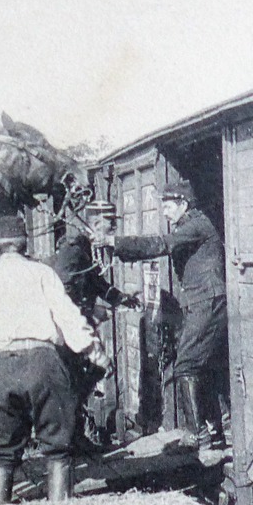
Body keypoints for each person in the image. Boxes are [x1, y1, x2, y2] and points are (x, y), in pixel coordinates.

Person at [0, 215, 110, 505]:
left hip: (3, 366)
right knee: (58, 447)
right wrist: (95, 352)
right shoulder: (43, 273)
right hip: (45, 363)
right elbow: (68, 317)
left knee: (2, 453)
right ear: (25, 243)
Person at [94, 177, 226, 451]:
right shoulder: (192, 224)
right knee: (199, 367)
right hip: (203, 302)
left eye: (168, 206)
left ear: (183, 204)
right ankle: (213, 433)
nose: (164, 212)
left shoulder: (196, 225)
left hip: (209, 302)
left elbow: (162, 245)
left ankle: (197, 434)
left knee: (186, 366)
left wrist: (114, 242)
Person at [50, 200, 135, 450]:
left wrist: (121, 298)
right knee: (82, 375)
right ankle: (71, 438)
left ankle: (75, 436)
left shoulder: (85, 247)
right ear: (95, 224)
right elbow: (62, 291)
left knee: (83, 377)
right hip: (70, 328)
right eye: (109, 227)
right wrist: (85, 313)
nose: (112, 232)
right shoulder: (73, 249)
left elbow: (95, 281)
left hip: (78, 323)